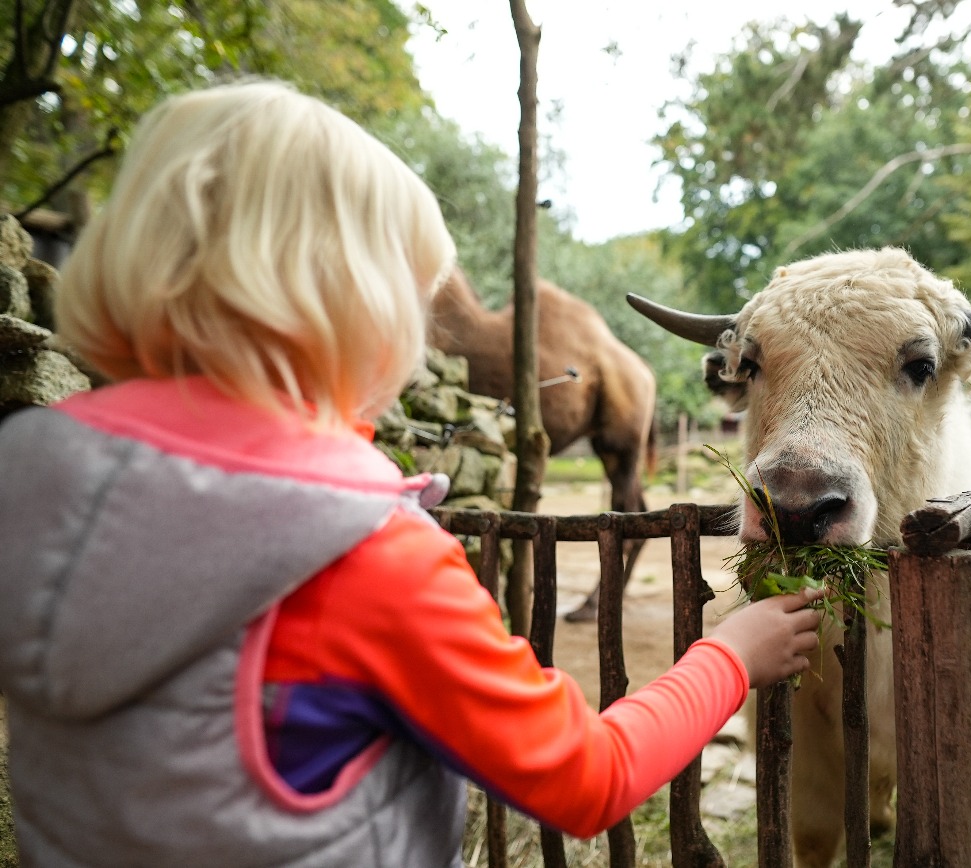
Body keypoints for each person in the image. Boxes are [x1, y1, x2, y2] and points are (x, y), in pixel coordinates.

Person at [0, 79, 825, 867]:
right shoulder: (360, 551)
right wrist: (728, 656)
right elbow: (587, 778)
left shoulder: (27, 477)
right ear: (355, 306)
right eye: (413, 299)